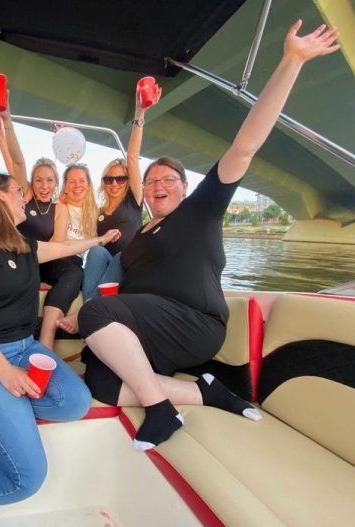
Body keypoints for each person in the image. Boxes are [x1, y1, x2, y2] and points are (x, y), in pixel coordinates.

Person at [68, 20, 339, 451]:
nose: (157, 186)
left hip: (195, 323)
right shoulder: (141, 233)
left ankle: (160, 411)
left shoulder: (201, 210)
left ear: (185, 186)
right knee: (100, 381)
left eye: (167, 180)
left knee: (96, 314)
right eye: (151, 181)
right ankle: (207, 393)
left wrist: (292, 60)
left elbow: (245, 146)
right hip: (152, 329)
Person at [0, 173, 119, 514]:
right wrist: (4, 372)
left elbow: (63, 248)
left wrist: (99, 240)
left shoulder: (25, 245)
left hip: (24, 348)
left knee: (75, 402)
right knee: (26, 479)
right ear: (0, 195)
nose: (25, 198)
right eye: (19, 191)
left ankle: (4, 411)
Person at [0, 100, 82, 349]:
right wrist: (4, 132)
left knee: (73, 270)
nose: (44, 185)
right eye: (38, 180)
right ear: (31, 182)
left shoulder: (60, 209)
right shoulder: (24, 196)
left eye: (49, 180)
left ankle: (48, 332)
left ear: (56, 182)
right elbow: (16, 163)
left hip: (43, 259)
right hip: (17, 256)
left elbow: (57, 246)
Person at [81, 85, 162, 300]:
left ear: (127, 182)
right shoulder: (98, 211)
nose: (114, 183)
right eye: (109, 179)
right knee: (96, 251)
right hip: (104, 266)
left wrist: (140, 113)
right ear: (103, 182)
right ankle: (91, 305)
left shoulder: (133, 200)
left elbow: (132, 157)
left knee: (120, 256)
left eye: (120, 179)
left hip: (129, 264)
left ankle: (90, 307)